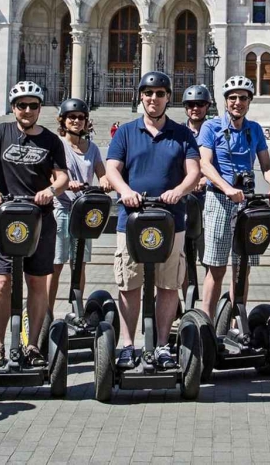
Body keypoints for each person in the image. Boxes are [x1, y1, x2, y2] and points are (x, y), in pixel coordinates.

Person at [103, 71, 202, 370]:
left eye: (159, 94)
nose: (153, 99)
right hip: (132, 220)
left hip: (171, 220)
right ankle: (127, 344)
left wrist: (178, 191)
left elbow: (194, 172)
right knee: (129, 284)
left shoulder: (182, 134)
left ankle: (161, 344)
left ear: (168, 98)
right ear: (141, 97)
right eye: (148, 93)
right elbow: (112, 169)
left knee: (169, 285)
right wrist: (125, 191)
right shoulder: (125, 133)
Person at [0, 80, 68, 367]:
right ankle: (0, 346)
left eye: (33, 106)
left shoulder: (51, 140)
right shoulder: (1, 131)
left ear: (40, 108)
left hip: (39, 218)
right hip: (6, 217)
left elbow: (62, 177)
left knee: (37, 282)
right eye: (21, 105)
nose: (27, 110)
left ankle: (32, 346)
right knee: (3, 281)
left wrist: (50, 191)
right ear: (14, 108)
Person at [196, 77, 270, 323]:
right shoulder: (211, 127)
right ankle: (207, 322)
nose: (237, 102)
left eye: (243, 98)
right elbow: (204, 164)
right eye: (232, 98)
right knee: (217, 267)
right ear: (225, 101)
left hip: (246, 201)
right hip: (219, 200)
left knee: (242, 267)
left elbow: (266, 164)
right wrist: (225, 187)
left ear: (249, 101)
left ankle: (236, 321)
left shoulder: (254, 129)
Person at [49, 97, 108, 321]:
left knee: (79, 264)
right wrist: (65, 182)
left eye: (81, 117)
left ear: (86, 121)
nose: (76, 121)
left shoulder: (91, 148)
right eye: (71, 117)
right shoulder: (57, 144)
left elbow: (102, 172)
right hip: (62, 208)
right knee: (56, 263)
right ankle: (46, 311)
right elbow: (51, 174)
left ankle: (77, 309)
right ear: (63, 120)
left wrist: (106, 182)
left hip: (84, 213)